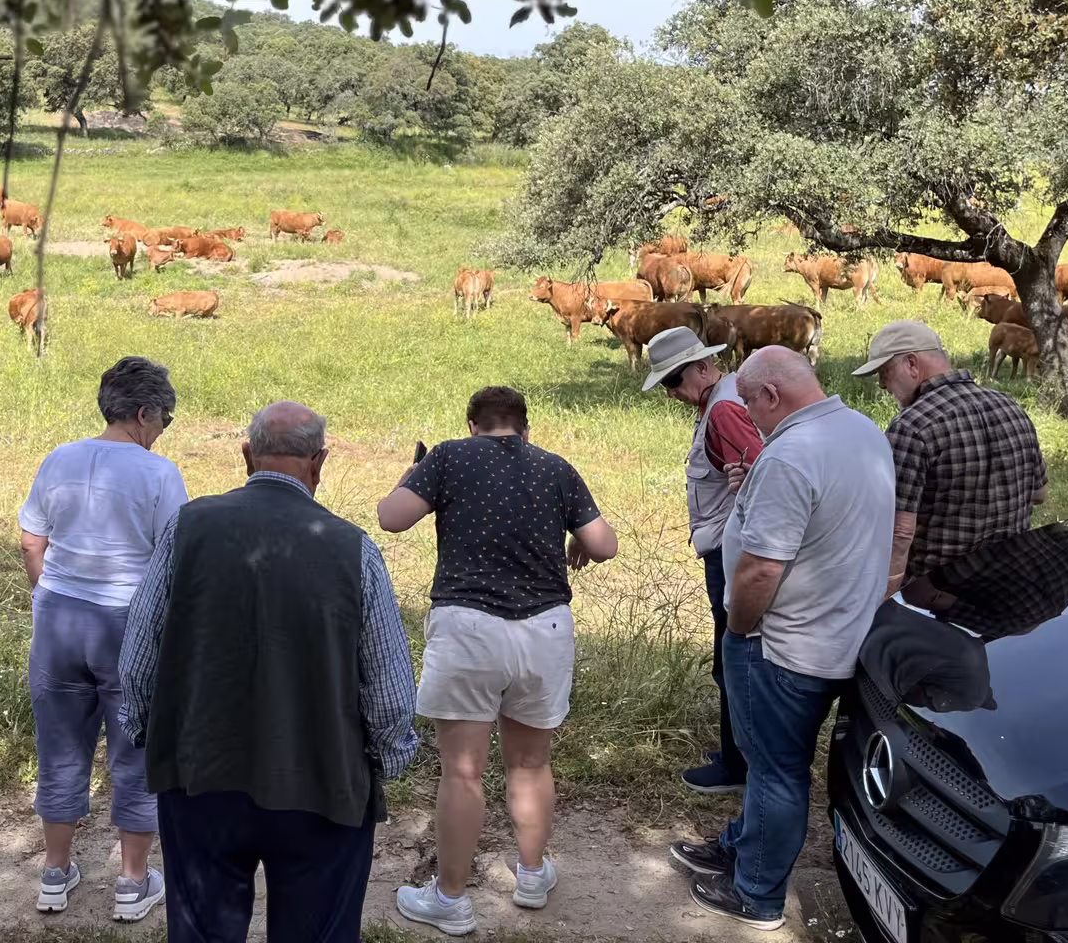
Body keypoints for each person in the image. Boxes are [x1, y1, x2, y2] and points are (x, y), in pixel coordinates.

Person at [119, 402, 417, 943]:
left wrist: (149, 734)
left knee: (202, 930)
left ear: (247, 455)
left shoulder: (187, 529)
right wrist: (384, 761)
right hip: (322, 780)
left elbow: (139, 652)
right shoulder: (353, 549)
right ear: (319, 462)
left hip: (200, 773)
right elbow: (390, 689)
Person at [377, 386, 618, 934]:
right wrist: (575, 541)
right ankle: (532, 875)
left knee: (463, 771)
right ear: (525, 428)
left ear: (472, 426)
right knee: (530, 763)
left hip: (469, 627)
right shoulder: (555, 467)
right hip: (545, 629)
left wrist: (410, 475)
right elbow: (603, 545)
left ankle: (450, 898)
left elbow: (392, 518)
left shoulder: (447, 457)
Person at [670, 347, 894, 930]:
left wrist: (741, 628)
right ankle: (740, 846)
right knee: (777, 761)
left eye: (748, 400)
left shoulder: (792, 454)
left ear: (771, 395)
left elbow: (761, 568)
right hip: (839, 631)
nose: (745, 412)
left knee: (774, 768)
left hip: (782, 643)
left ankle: (757, 894)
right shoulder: (862, 431)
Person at [17, 356, 187, 922]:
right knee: (137, 751)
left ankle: (55, 872)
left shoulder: (60, 458)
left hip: (60, 620)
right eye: (165, 417)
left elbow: (30, 542)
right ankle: (132, 882)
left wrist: (52, 594)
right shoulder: (158, 472)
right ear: (144, 412)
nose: (164, 428)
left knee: (60, 748)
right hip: (128, 624)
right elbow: (173, 560)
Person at [642, 326, 763, 796]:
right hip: (731, 547)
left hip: (730, 553)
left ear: (702, 367)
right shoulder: (725, 400)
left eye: (674, 380)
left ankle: (738, 765)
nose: (672, 393)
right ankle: (737, 753)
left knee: (732, 660)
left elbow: (759, 475)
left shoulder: (724, 411)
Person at [853, 320, 1047, 593]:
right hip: (1009, 582)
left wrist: (886, 595)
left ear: (911, 364)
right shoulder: (1009, 405)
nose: (883, 386)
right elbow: (1039, 494)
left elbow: (899, 532)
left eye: (884, 373)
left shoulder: (911, 427)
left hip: (936, 594)